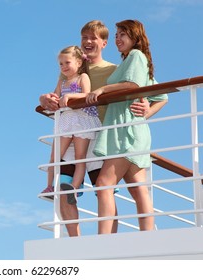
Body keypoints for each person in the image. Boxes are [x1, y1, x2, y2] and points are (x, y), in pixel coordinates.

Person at [39, 20, 167, 237]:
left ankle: (108, 239)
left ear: (104, 43)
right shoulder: (69, 68)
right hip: (71, 132)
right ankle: (76, 241)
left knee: (103, 189)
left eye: (93, 38)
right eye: (84, 38)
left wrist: (145, 106)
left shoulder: (117, 68)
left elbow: (149, 89)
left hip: (102, 134)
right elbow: (56, 94)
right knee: (63, 188)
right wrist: (44, 98)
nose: (88, 42)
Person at [86, 19, 168, 234]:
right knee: (138, 188)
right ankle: (148, 234)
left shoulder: (136, 56)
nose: (117, 39)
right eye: (116, 35)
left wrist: (103, 89)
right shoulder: (132, 61)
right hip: (129, 129)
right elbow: (161, 96)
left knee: (104, 183)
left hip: (125, 131)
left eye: (122, 34)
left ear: (135, 37)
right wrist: (146, 113)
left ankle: (104, 239)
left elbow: (134, 86)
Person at [41, 46, 101, 208]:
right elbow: (55, 95)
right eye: (60, 64)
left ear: (79, 61)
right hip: (66, 120)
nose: (64, 67)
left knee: (80, 157)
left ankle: (74, 188)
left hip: (82, 119)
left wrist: (69, 96)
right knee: (55, 156)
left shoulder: (83, 77)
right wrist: (52, 97)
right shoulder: (62, 81)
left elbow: (86, 94)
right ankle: (49, 186)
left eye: (67, 62)